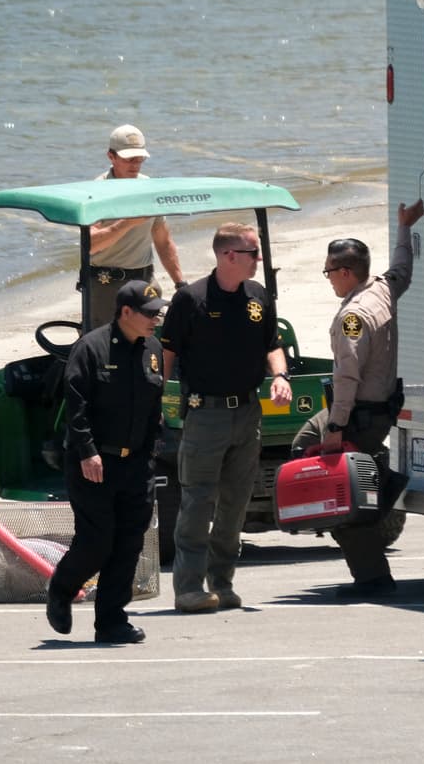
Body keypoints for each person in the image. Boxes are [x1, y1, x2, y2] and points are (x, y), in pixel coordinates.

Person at [291, 198, 424, 599]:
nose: (328, 279)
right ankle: (382, 484)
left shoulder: (353, 316)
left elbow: (347, 377)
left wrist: (334, 428)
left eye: (330, 272)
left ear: (346, 272)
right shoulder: (381, 289)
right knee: (308, 451)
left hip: (357, 414)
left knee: (334, 482)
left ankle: (371, 576)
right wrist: (405, 228)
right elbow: (403, 270)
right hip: (372, 409)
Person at [159, 223, 292, 613]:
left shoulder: (257, 296)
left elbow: (273, 344)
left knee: (236, 503)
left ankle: (222, 583)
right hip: (206, 415)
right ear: (228, 255)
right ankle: (188, 588)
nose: (259, 260)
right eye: (253, 253)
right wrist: (153, 401)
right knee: (199, 501)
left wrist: (280, 376)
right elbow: (167, 356)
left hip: (248, 413)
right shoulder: (191, 299)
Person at [46, 280, 167, 644]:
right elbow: (76, 405)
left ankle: (112, 621)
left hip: (136, 464)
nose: (155, 320)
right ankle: (62, 588)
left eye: (158, 313)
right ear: (125, 312)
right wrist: (87, 450)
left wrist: (151, 455)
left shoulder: (153, 349)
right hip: (94, 463)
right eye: (149, 314)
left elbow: (153, 408)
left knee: (130, 542)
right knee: (97, 542)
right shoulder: (92, 348)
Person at [85, 124, 187, 328]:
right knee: (107, 347)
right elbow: (90, 245)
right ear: (111, 157)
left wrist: (180, 284)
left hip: (145, 280)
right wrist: (127, 223)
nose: (136, 165)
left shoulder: (149, 188)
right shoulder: (96, 190)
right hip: (106, 285)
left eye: (140, 158)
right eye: (129, 159)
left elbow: (163, 241)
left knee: (148, 342)